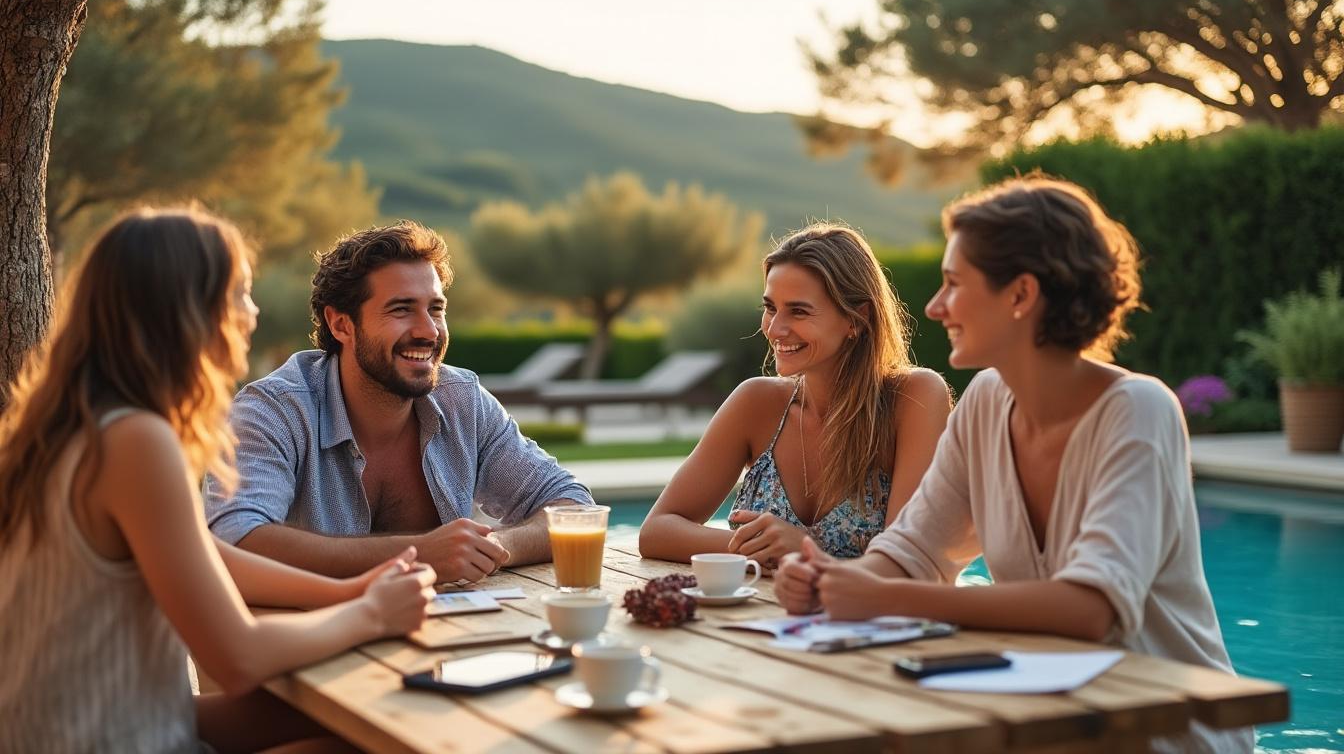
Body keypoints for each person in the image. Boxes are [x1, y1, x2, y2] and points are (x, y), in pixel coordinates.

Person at [776, 177, 1250, 753]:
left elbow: (1092, 608)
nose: (934, 306)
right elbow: (914, 552)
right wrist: (834, 583)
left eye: (953, 284)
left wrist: (885, 598)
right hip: (1056, 720)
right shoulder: (984, 402)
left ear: (1020, 294)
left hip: (1163, 731)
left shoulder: (1137, 411)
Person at [0, 208, 437, 753]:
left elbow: (206, 553)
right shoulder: (136, 441)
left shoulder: (71, 429)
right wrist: (369, 614)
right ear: (187, 310)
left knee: (366, 717)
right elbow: (239, 658)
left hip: (91, 723)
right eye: (240, 293)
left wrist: (348, 591)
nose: (252, 313)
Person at [204, 221, 593, 583]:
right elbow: (234, 540)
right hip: (300, 647)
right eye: (402, 309)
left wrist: (488, 549)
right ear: (341, 324)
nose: (428, 330)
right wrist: (419, 554)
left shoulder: (462, 401)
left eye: (436, 309)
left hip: (435, 641)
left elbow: (574, 509)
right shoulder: (273, 410)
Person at [640, 222, 951, 567]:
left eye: (798, 311)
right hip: (757, 618)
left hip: (871, 620)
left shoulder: (914, 399)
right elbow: (656, 532)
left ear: (856, 319)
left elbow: (906, 562)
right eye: (770, 307)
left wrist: (803, 550)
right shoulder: (756, 403)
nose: (775, 329)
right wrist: (761, 547)